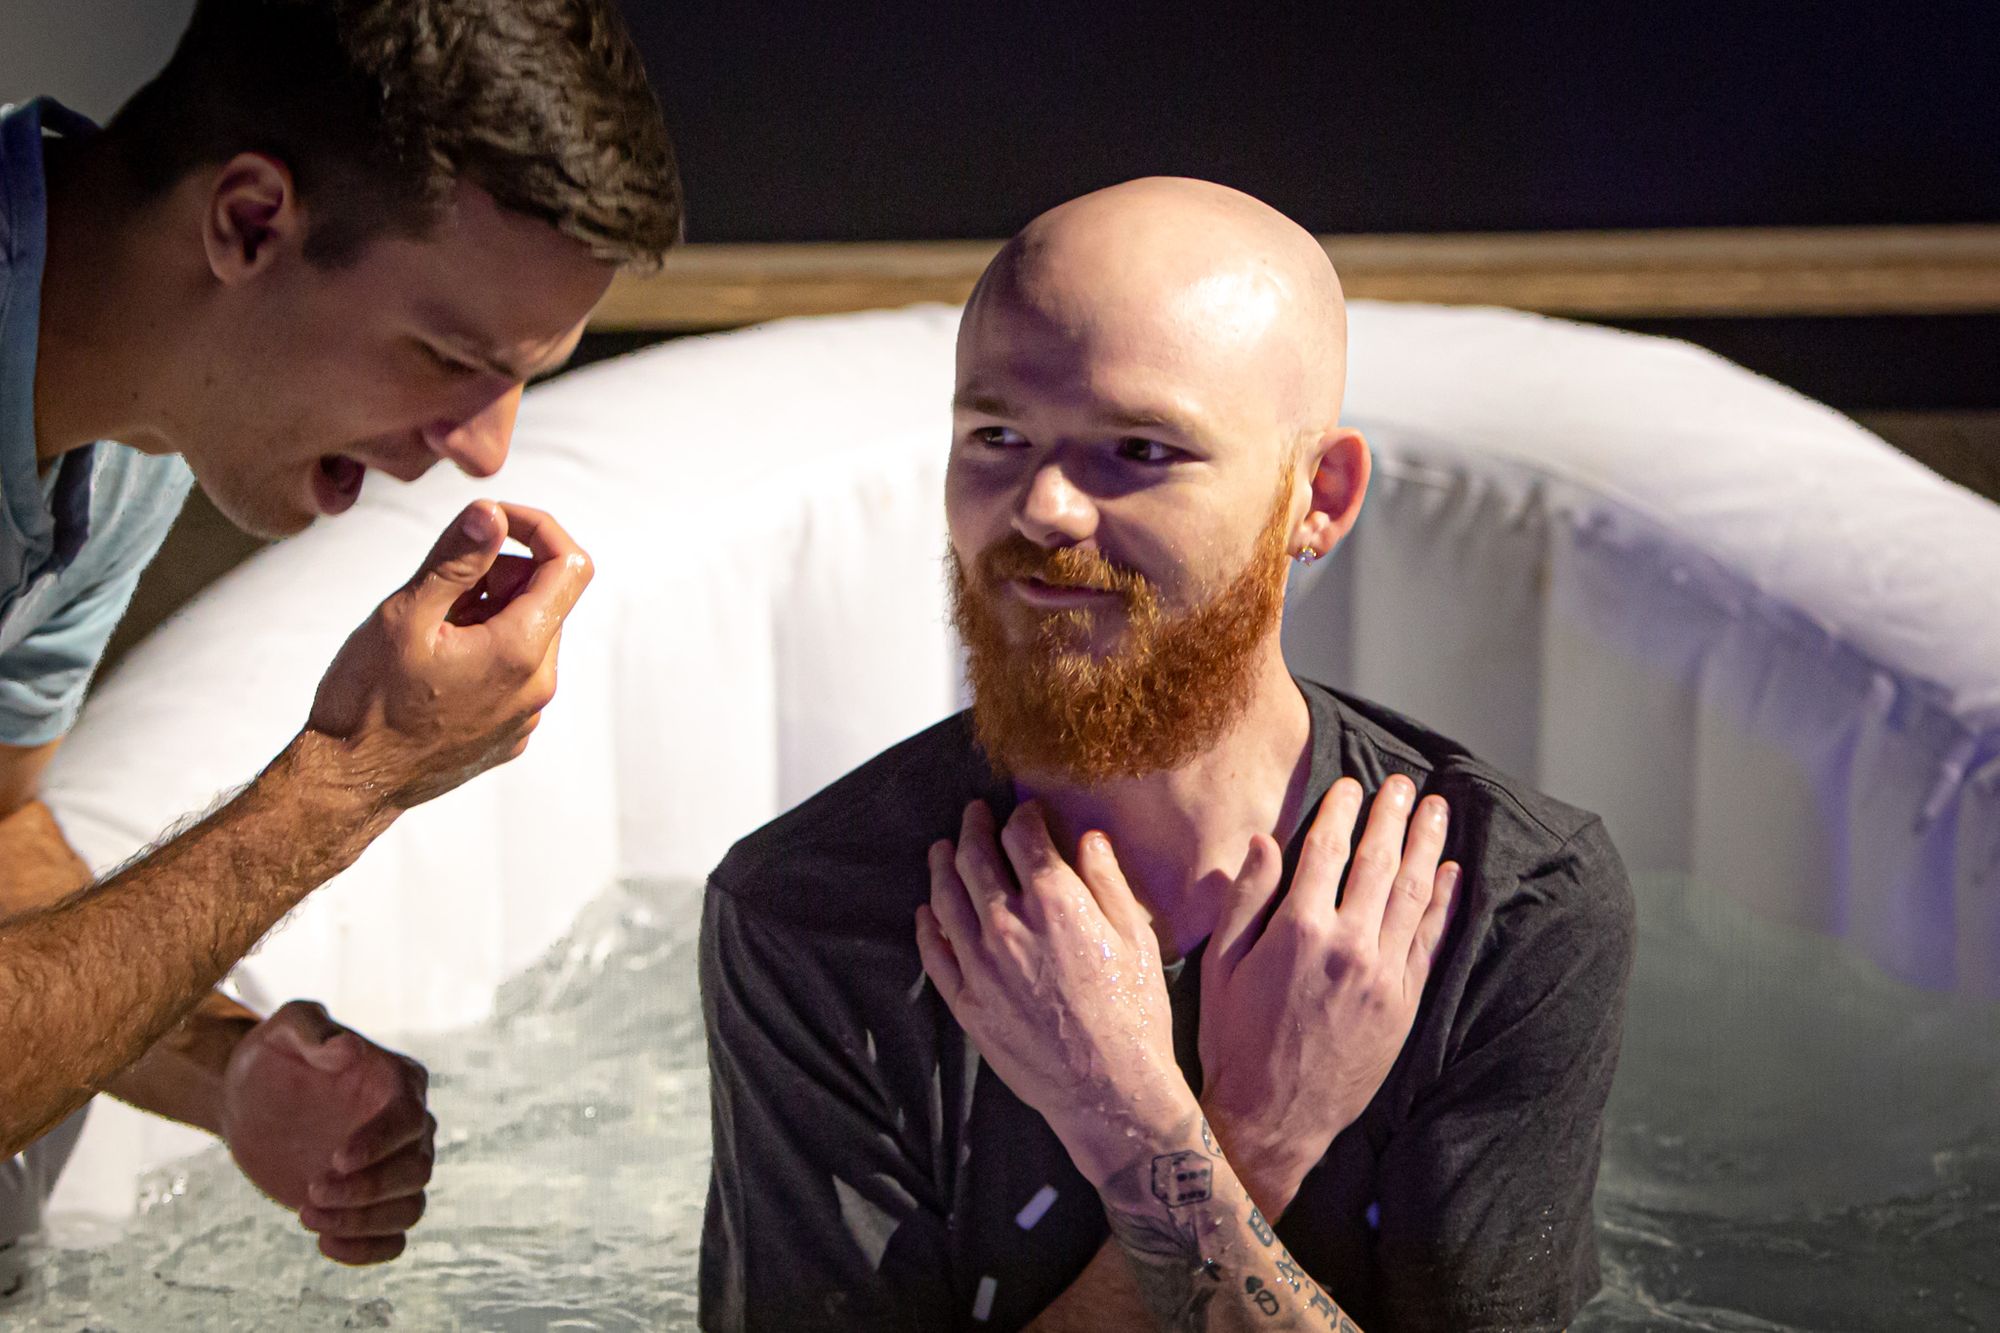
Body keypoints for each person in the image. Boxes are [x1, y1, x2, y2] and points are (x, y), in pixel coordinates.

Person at [698, 178, 1634, 1331]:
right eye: (996, 436)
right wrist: (1240, 1139)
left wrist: (1143, 1129)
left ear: (1316, 495)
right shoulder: (811, 914)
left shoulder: (1502, 905)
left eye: (1137, 449)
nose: (1044, 506)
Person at [0, 0, 679, 1271]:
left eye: (519, 379)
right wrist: (348, 779)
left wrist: (225, 1067)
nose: (486, 449)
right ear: (250, 222)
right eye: (447, 354)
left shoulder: (133, 413)